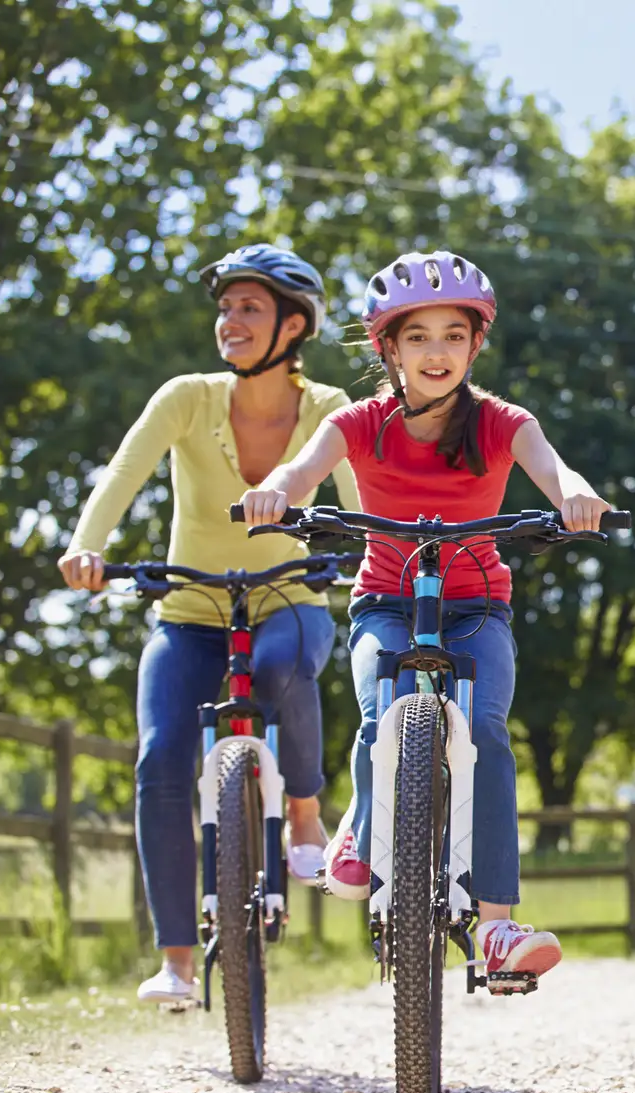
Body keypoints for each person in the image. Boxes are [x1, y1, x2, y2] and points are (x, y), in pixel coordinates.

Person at [237, 250, 612, 982]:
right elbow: (301, 469)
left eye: (452, 335)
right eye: (417, 337)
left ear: (476, 345)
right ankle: (363, 830)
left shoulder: (504, 422)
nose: (436, 351)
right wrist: (276, 491)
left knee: (489, 734)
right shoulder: (360, 422)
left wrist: (577, 497)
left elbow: (555, 468)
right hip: (386, 602)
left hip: (478, 607)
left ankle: (498, 928)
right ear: (389, 349)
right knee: (383, 711)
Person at [58, 244, 360, 1006]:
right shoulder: (186, 397)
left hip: (289, 598)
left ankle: (302, 812)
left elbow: (360, 510)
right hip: (189, 611)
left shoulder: (328, 411)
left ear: (294, 325)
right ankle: (177, 963)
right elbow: (124, 473)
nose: (230, 320)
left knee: (284, 667)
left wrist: (369, 559)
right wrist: (87, 546)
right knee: (161, 758)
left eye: (249, 308)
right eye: (225, 307)